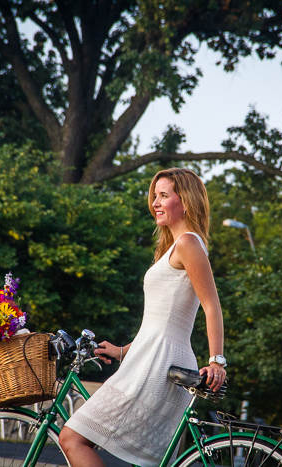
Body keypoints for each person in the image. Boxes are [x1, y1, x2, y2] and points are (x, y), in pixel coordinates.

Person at [60, 168, 227, 467]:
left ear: (185, 202)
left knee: (72, 438)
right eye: (154, 196)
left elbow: (211, 305)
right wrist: (123, 351)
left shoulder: (188, 243)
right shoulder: (171, 248)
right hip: (151, 357)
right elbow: (160, 319)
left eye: (164, 195)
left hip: (160, 363)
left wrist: (217, 360)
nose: (155, 203)